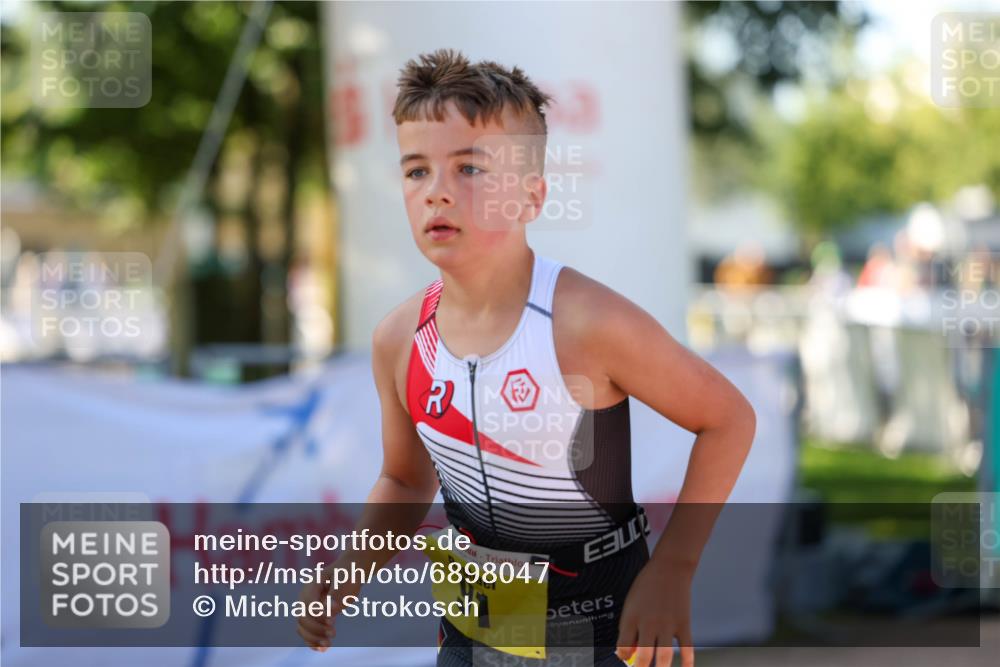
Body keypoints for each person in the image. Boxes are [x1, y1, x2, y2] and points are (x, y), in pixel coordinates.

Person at [297, 49, 756, 667]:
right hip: (470, 636)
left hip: (599, 630)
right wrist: (352, 567)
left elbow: (727, 418)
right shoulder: (399, 339)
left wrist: (675, 566)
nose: (437, 193)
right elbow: (407, 479)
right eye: (416, 172)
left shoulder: (587, 322)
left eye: (469, 169)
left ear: (532, 196)